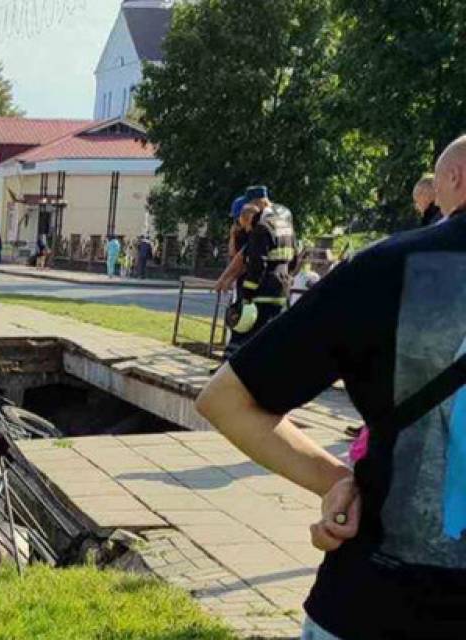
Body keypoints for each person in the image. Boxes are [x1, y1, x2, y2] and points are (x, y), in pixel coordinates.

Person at [196, 136, 466, 639]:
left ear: (454, 179)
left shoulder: (384, 268)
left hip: (378, 604)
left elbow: (226, 400)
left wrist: (335, 481)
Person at [224, 188, 295, 360]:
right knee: (270, 337)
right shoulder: (286, 226)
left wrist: (247, 294)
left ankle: (234, 373)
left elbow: (257, 265)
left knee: (247, 335)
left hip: (261, 292)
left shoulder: (261, 229)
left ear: (258, 203)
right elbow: (294, 257)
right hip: (281, 290)